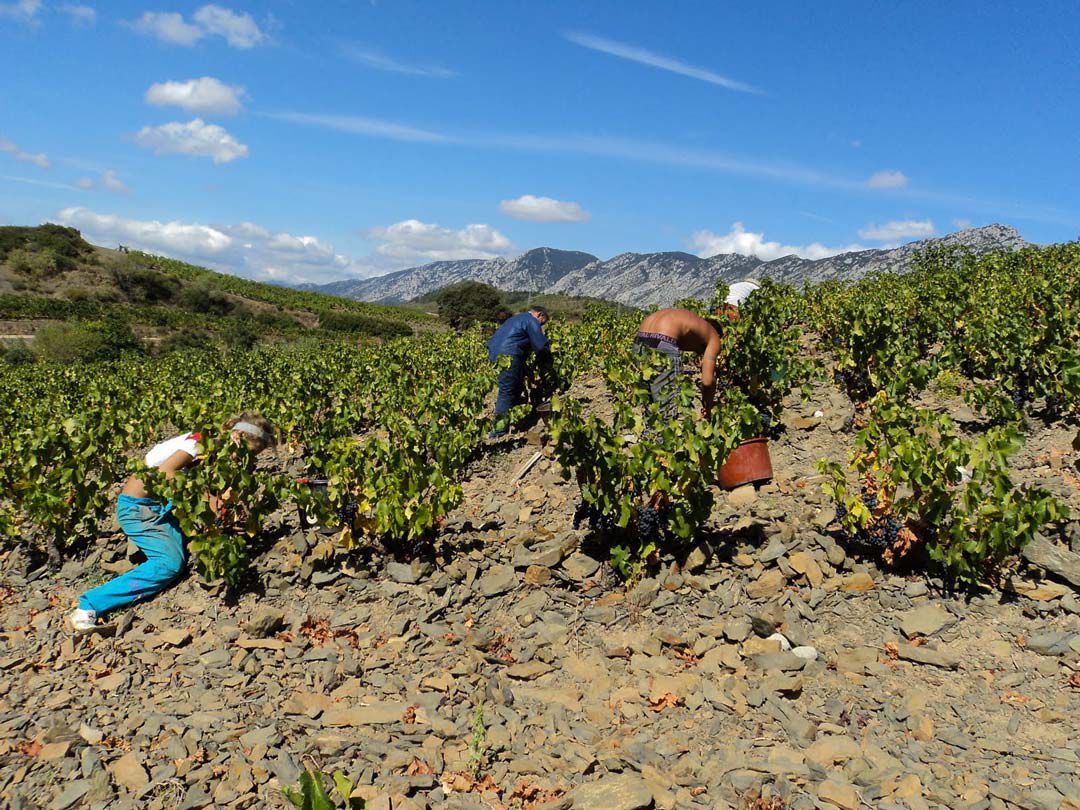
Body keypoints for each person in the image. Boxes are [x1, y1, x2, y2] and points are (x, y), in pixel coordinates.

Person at [68, 413, 277, 633]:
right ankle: (90, 605)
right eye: (249, 452)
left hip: (165, 507)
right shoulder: (201, 441)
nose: (247, 459)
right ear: (237, 436)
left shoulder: (218, 450)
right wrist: (208, 498)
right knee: (169, 564)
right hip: (140, 510)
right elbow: (166, 471)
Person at [633, 308, 722, 419]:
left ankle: (650, 430)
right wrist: (708, 408)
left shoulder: (692, 322)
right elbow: (707, 382)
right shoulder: (714, 336)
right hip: (664, 341)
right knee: (667, 409)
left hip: (640, 340)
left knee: (651, 405)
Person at [486, 306, 551, 437]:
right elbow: (540, 346)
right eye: (542, 323)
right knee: (506, 390)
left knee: (515, 384)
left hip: (494, 354)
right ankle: (499, 431)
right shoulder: (532, 321)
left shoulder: (515, 319)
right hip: (509, 355)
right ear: (539, 315)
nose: (541, 326)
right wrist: (547, 361)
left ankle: (515, 416)